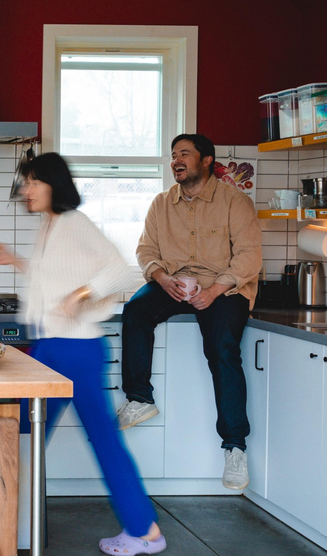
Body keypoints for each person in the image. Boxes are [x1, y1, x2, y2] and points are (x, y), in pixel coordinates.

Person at [0, 153, 166, 555]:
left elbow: (122, 271)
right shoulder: (51, 225)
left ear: (54, 183)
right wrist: (14, 260)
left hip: (76, 350)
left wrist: (83, 294)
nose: (26, 189)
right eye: (26, 182)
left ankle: (145, 532)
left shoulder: (75, 223)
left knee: (91, 440)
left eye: (34, 182)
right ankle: (0, 522)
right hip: (50, 348)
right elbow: (53, 277)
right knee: (23, 436)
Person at [117, 134, 262, 491]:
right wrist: (161, 277)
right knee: (135, 310)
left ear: (207, 160)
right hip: (174, 282)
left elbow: (248, 257)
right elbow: (146, 249)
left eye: (184, 154)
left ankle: (235, 447)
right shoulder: (161, 204)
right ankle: (139, 398)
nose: (176, 161)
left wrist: (214, 290)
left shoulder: (235, 202)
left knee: (222, 349)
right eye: (173, 156)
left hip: (223, 286)